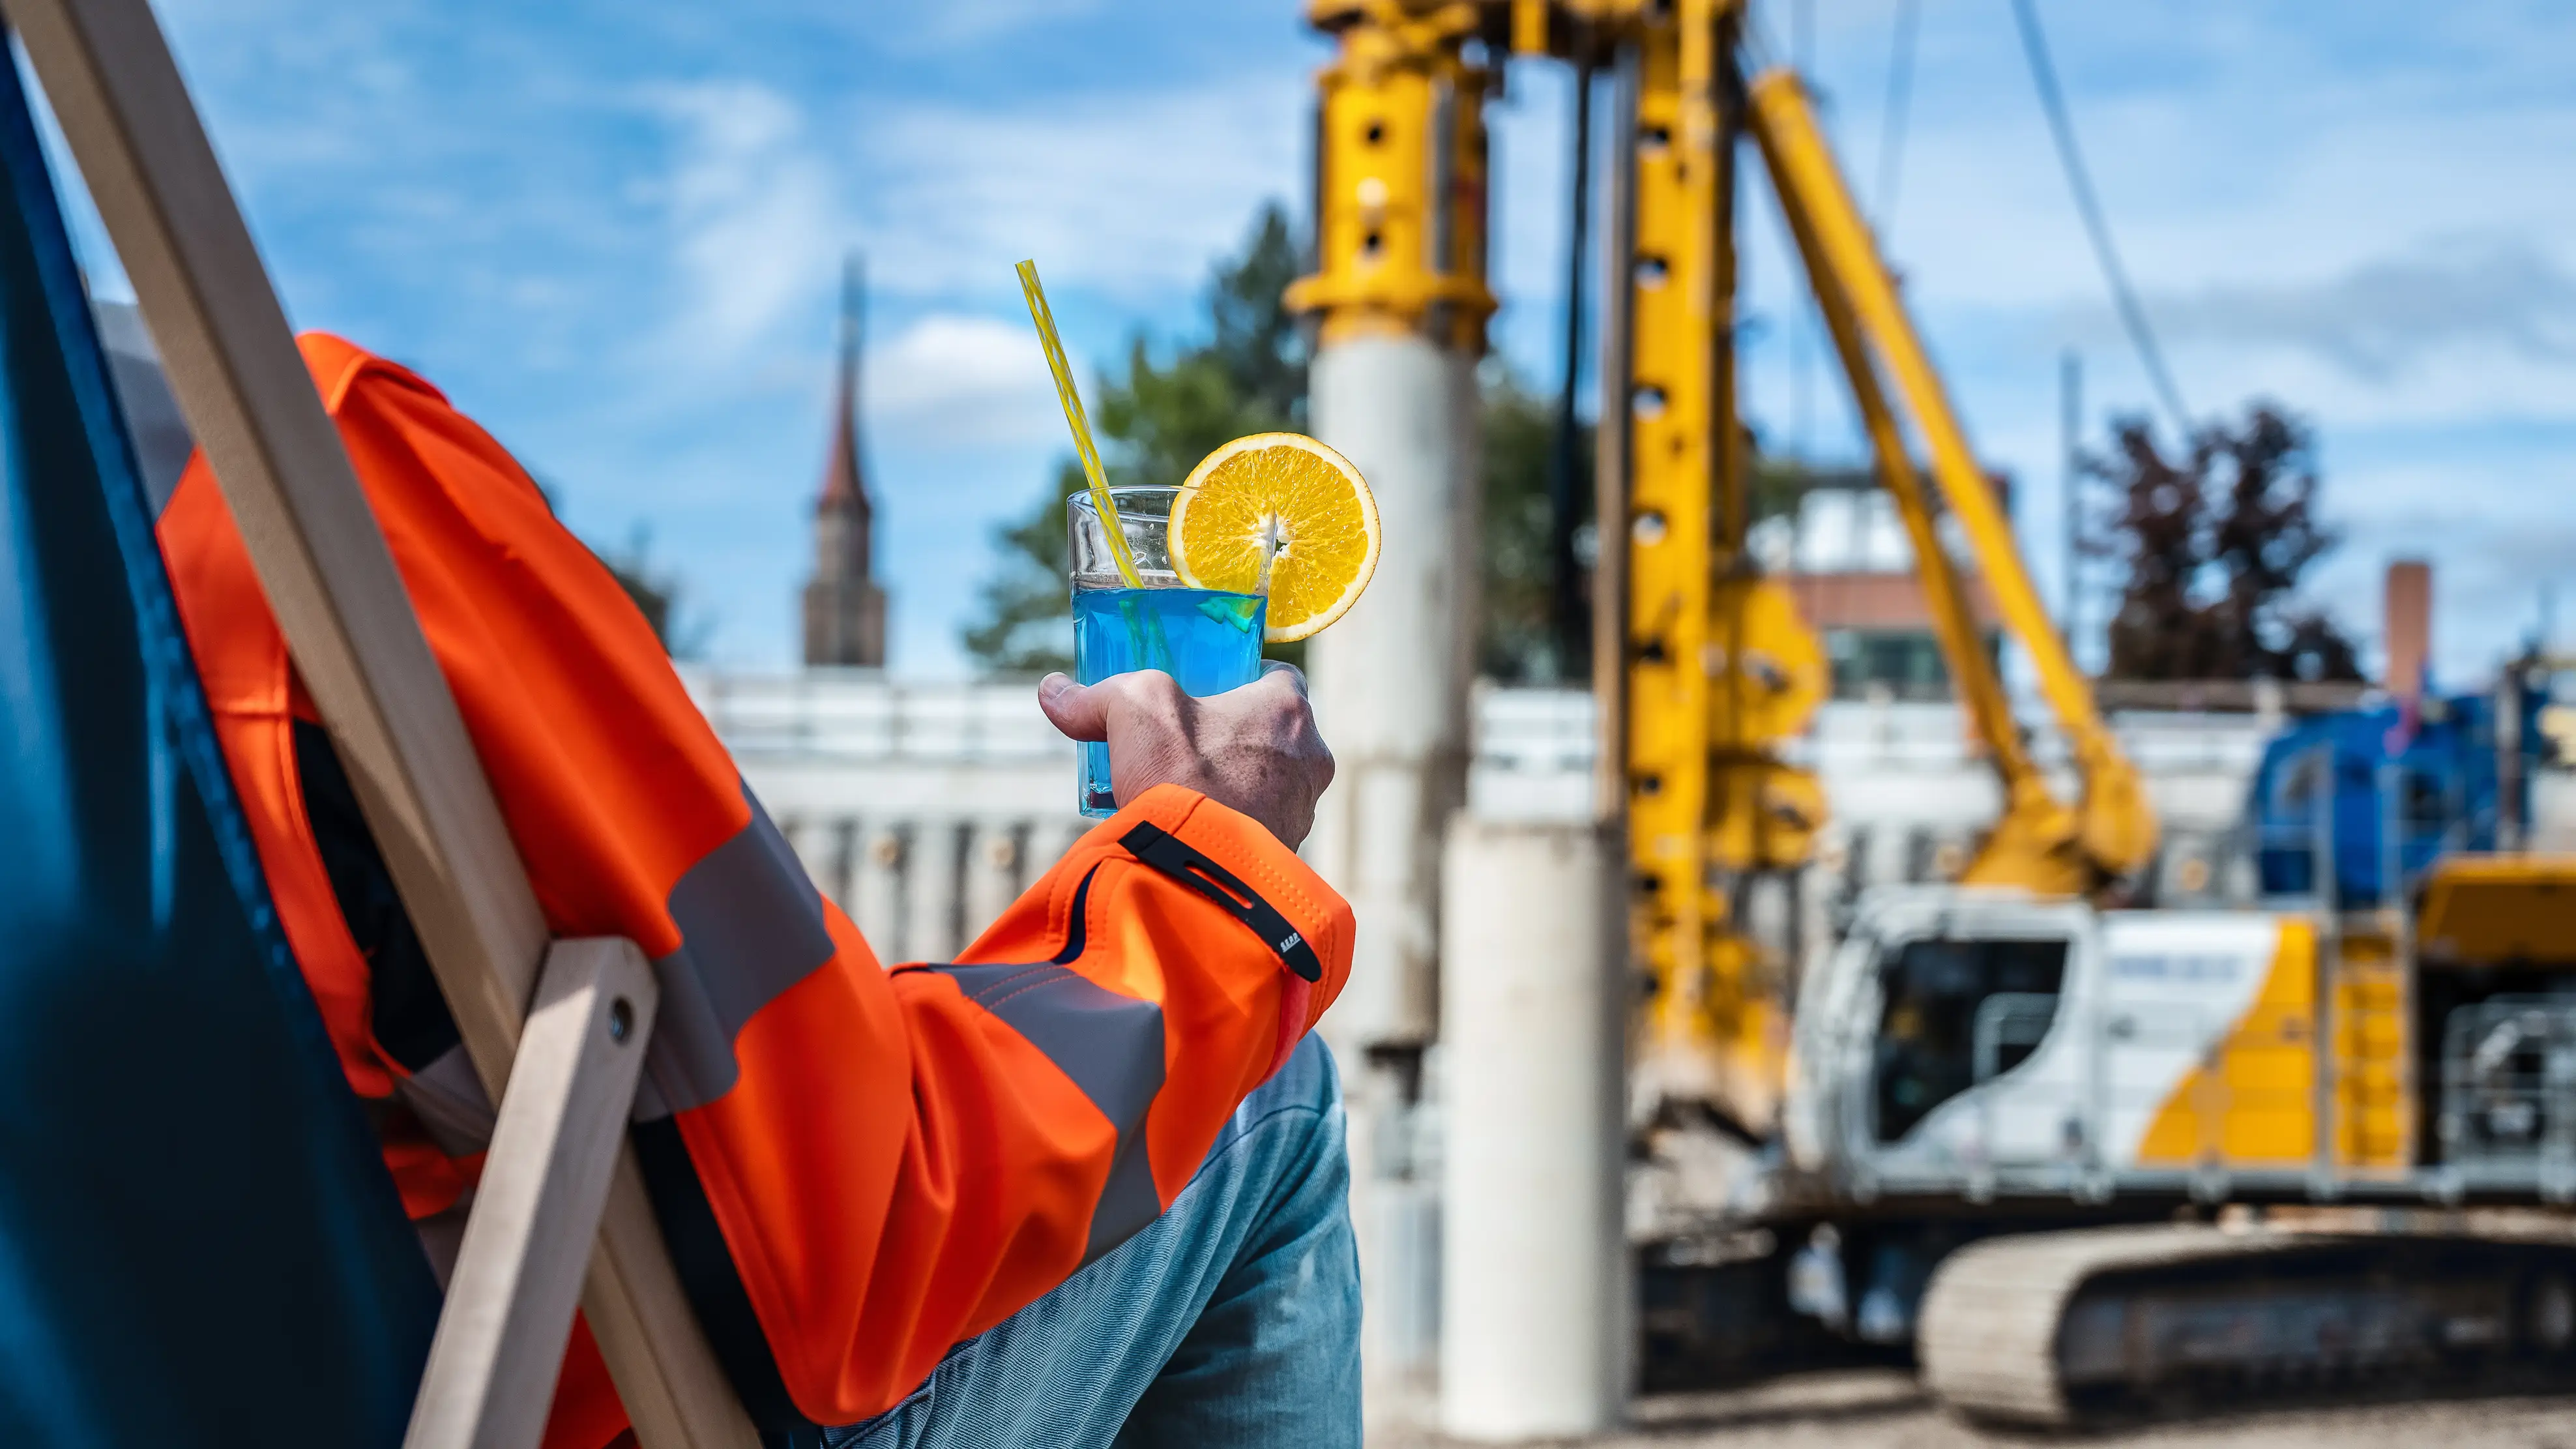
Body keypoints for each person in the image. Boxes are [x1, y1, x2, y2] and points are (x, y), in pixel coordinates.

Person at [152, 332, 1361, 1448]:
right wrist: (1211, 869)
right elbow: (843, 1234)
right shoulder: (324, 483)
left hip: (221, 1377)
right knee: (1269, 1089)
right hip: (582, 1407)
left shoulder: (94, 557)